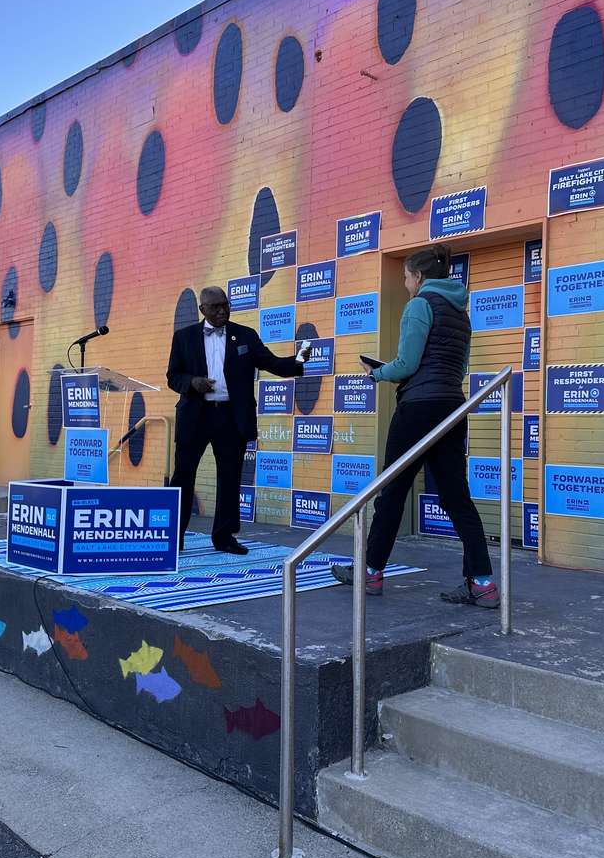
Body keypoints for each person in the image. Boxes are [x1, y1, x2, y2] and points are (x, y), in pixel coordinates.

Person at [332, 244, 498, 608]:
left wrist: (377, 373)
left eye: (406, 277)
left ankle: (370, 573)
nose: (405, 283)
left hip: (418, 406)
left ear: (419, 277)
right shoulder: (461, 312)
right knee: (457, 497)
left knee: (391, 493)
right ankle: (483, 583)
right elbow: (459, 367)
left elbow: (406, 364)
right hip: (452, 407)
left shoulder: (419, 305)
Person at [167, 286, 306, 554]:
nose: (222, 311)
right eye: (215, 307)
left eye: (225, 305)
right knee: (183, 475)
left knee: (230, 478)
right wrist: (192, 382)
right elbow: (173, 376)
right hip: (196, 415)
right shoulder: (183, 337)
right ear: (202, 310)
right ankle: (174, 537)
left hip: (231, 416)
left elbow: (271, 363)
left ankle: (225, 537)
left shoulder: (245, 335)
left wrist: (299, 361)